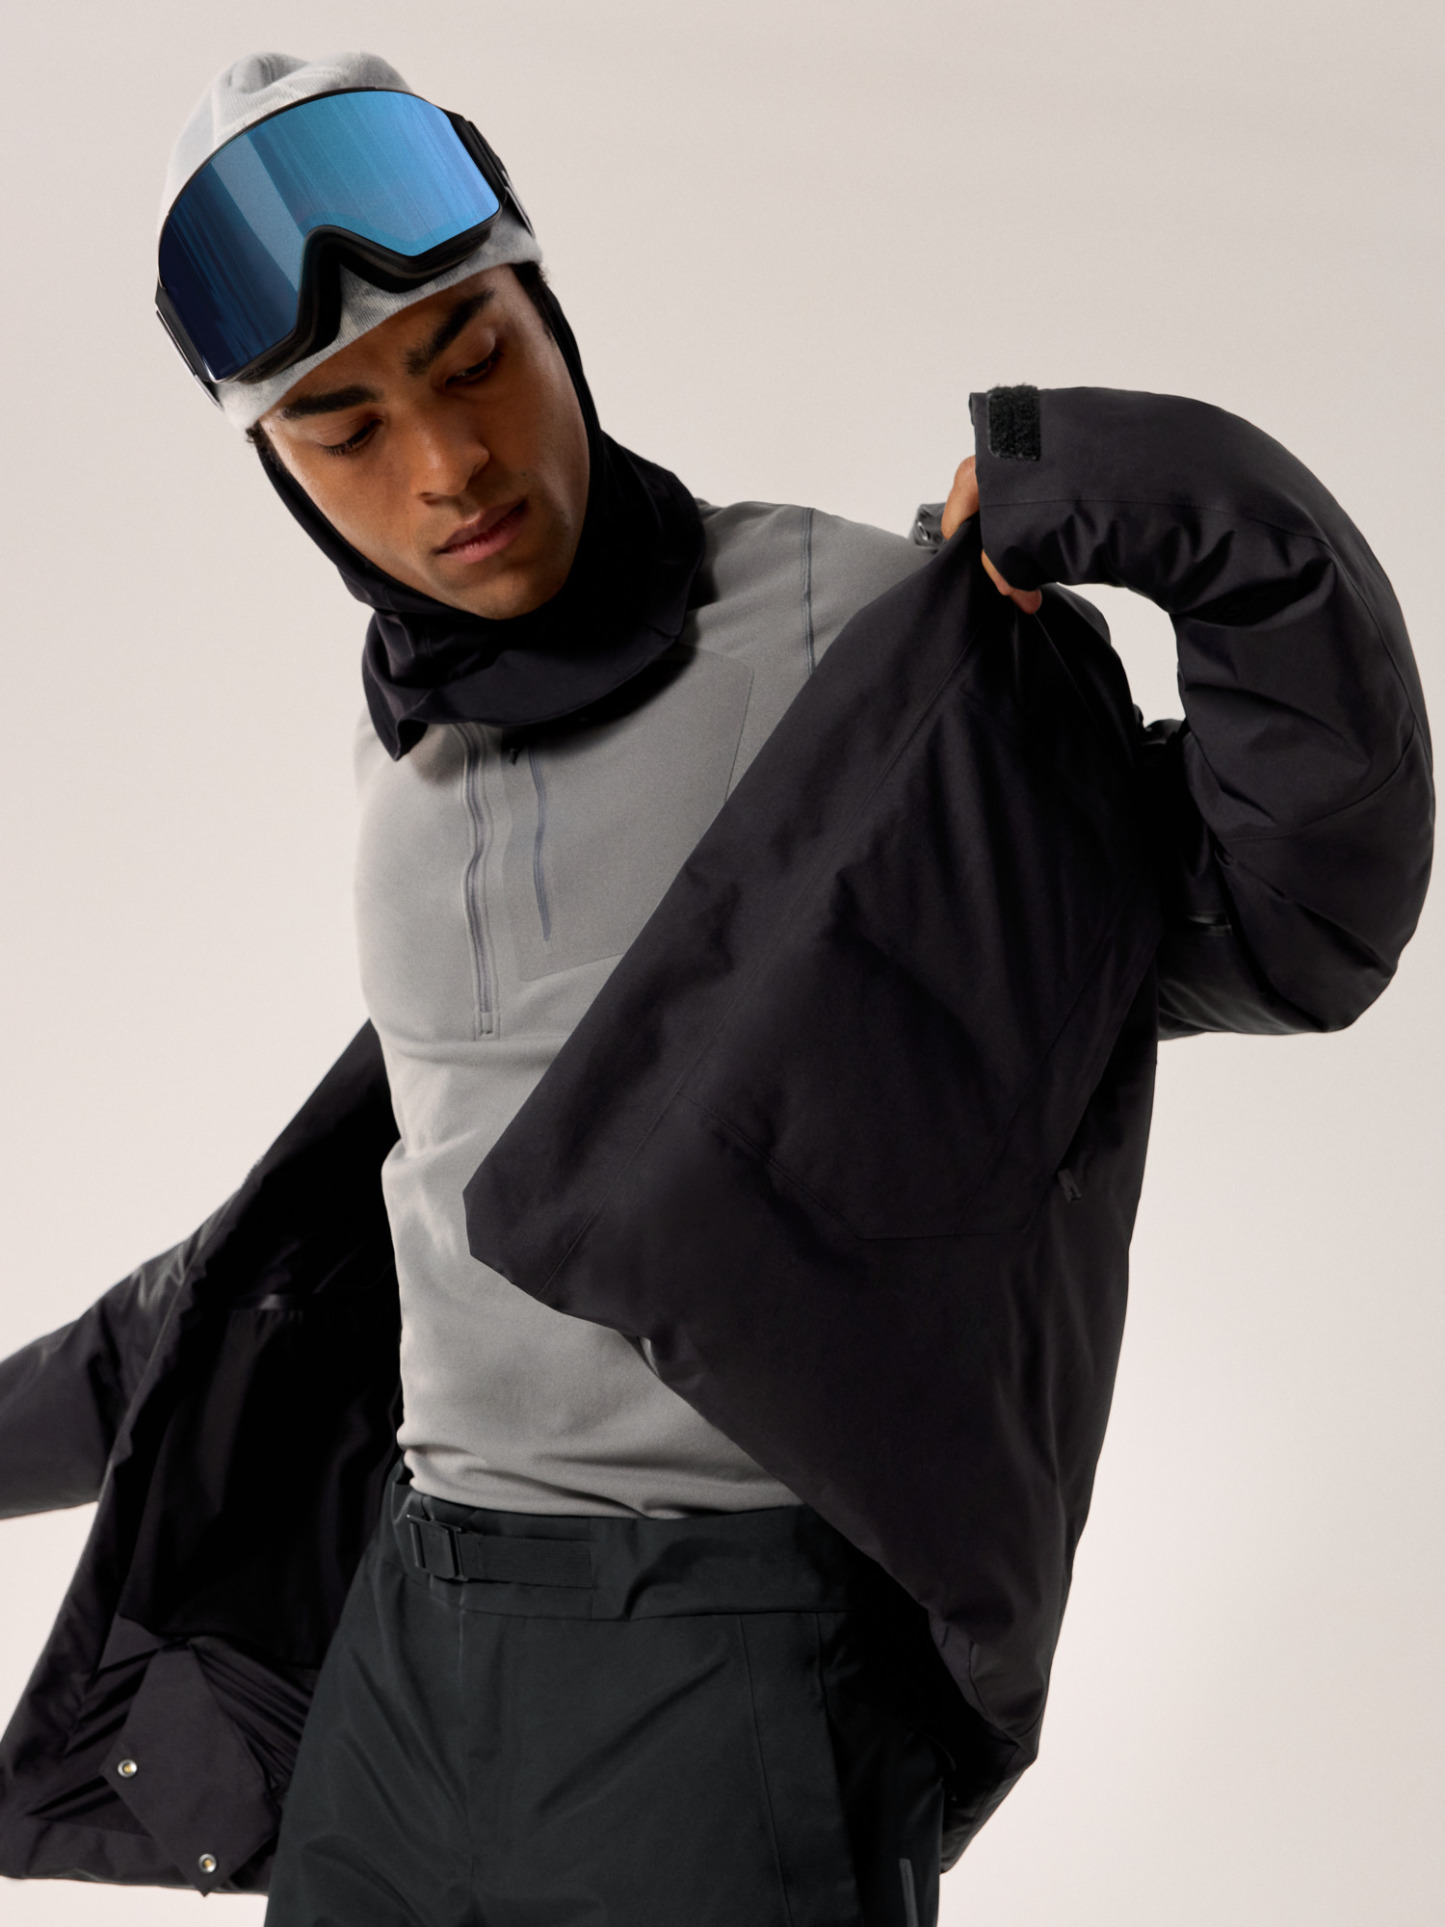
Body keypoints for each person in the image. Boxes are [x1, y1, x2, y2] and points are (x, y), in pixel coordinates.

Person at [0, 47, 1431, 1927]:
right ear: (280, 475)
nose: (446, 468)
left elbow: (1289, 917)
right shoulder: (404, 771)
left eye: (472, 358)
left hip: (727, 1663)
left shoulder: (856, 642)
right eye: (344, 429)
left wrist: (1124, 485)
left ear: (550, 317)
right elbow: (333, 1239)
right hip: (405, 1668)